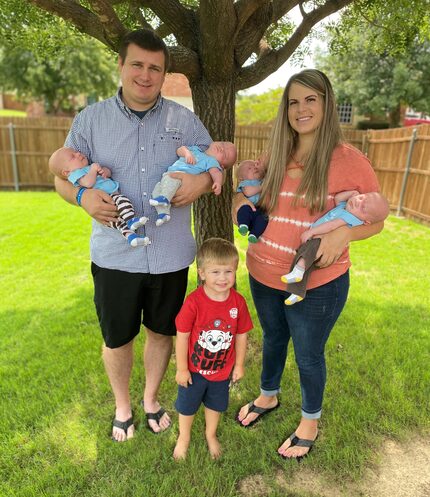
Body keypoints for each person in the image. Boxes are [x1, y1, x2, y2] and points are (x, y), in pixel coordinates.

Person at [51, 28, 227, 442]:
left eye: (155, 68)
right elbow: (61, 178)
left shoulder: (184, 121)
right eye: (137, 65)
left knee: (162, 332)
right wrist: (81, 196)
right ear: (121, 65)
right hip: (115, 256)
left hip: (170, 253)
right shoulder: (89, 121)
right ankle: (122, 406)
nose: (146, 75)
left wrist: (199, 186)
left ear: (164, 73)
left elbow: (213, 163)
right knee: (117, 337)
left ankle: (150, 399)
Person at [233, 69, 384, 461]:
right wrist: (240, 204)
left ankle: (309, 422)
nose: (301, 109)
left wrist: (343, 235)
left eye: (311, 99)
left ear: (327, 103)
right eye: (294, 101)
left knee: (308, 354)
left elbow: (376, 219)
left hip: (316, 283)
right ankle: (268, 396)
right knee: (273, 338)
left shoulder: (349, 160)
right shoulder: (275, 156)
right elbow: (251, 197)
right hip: (263, 273)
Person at [173, 238, 253, 460]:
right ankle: (184, 436)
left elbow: (241, 334)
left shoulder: (238, 303)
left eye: (228, 271)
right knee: (187, 407)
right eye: (215, 272)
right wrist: (181, 369)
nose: (222, 278)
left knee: (215, 405)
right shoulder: (194, 302)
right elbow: (182, 336)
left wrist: (238, 365)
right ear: (202, 273)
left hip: (221, 372)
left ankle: (211, 434)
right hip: (194, 371)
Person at [282, 190, 390, 304]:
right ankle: (297, 293)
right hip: (317, 240)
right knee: (306, 270)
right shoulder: (345, 207)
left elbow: (331, 226)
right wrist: (352, 194)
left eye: (363, 208)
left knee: (304, 253)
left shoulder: (350, 218)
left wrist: (311, 232)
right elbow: (338, 198)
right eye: (362, 198)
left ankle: (298, 270)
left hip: (321, 241)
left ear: (366, 222)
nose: (358, 202)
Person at [49, 146, 150, 247]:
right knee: (123, 202)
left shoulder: (87, 169)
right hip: (107, 200)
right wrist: (93, 169)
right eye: (73, 157)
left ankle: (132, 238)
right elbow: (88, 183)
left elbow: (107, 174)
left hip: (109, 201)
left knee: (120, 224)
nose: (78, 154)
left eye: (76, 152)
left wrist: (104, 171)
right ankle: (131, 220)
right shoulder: (75, 175)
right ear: (66, 172)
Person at [150, 142, 237, 226]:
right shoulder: (196, 149)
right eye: (223, 144)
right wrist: (187, 153)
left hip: (179, 177)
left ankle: (164, 199)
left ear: (221, 165)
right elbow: (180, 150)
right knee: (157, 190)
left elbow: (217, 173)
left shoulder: (211, 162)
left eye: (225, 154)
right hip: (168, 174)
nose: (222, 148)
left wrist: (217, 183)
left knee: (169, 184)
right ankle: (163, 214)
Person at [236, 158, 268, 243]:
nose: (254, 168)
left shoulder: (262, 181)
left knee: (263, 218)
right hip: (249, 207)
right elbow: (248, 192)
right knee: (243, 210)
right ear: (242, 178)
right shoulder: (245, 183)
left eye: (254, 166)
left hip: (259, 209)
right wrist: (263, 187)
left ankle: (254, 234)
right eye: (249, 168)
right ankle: (243, 225)